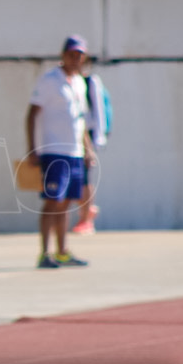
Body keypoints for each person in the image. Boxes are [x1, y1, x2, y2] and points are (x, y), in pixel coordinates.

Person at [25, 34, 94, 267]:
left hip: (74, 153)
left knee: (66, 203)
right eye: (72, 54)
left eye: (80, 55)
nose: (76, 59)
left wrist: (88, 149)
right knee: (52, 202)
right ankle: (45, 254)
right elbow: (32, 114)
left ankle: (63, 251)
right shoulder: (49, 80)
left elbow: (81, 120)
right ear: (63, 55)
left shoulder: (80, 82)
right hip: (53, 151)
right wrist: (32, 149)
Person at [72, 61, 109, 235]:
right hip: (75, 135)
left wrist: (97, 140)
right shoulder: (71, 81)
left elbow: (99, 111)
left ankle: (87, 216)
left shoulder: (90, 81)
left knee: (85, 178)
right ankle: (87, 211)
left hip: (88, 136)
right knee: (79, 179)